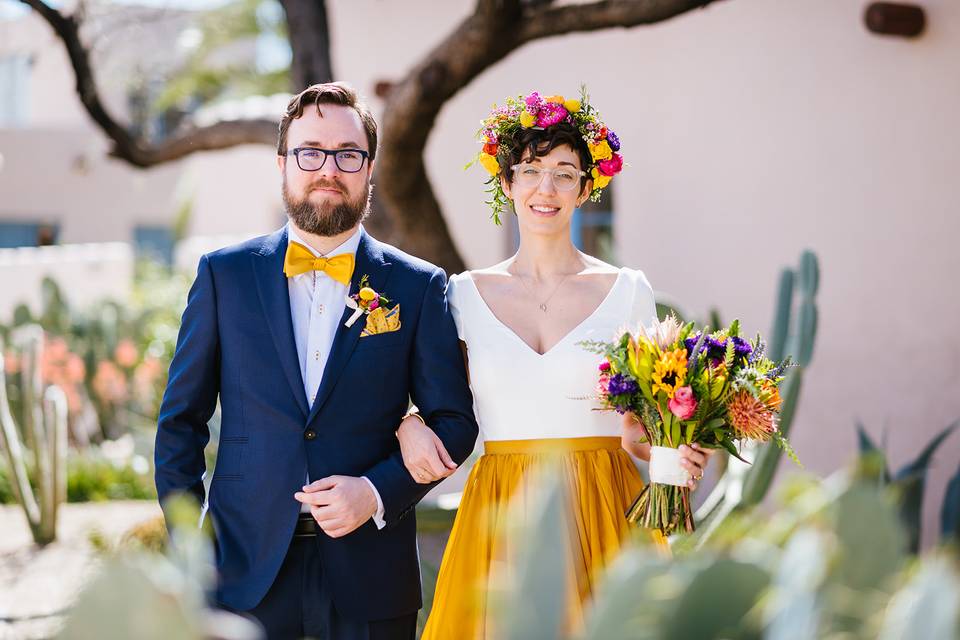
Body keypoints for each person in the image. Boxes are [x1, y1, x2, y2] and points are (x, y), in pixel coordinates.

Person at [154, 81, 479, 640]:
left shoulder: (419, 286)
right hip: (241, 576)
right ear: (283, 163)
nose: (328, 168)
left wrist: (376, 492)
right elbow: (180, 423)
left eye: (347, 154)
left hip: (371, 573)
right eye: (310, 152)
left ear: (369, 168)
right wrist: (190, 550)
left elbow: (455, 423)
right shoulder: (223, 276)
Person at [398, 91, 714, 638]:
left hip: (604, 503)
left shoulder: (627, 291)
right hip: (500, 507)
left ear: (586, 188)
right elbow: (431, 401)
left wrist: (674, 450)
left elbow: (637, 432)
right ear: (507, 183)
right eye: (530, 170)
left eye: (565, 173)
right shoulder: (462, 296)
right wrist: (406, 425)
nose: (546, 189)